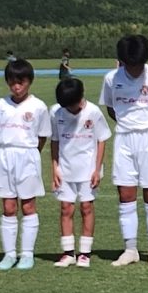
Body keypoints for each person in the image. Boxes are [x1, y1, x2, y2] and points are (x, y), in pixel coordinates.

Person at [99, 33, 148, 266]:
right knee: (125, 194)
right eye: (130, 65)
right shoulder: (111, 79)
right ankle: (130, 249)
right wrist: (128, 125)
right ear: (122, 61)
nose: (134, 70)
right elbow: (111, 108)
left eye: (138, 65)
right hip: (124, 137)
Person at [0, 57, 52, 270]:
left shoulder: (38, 106)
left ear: (29, 81)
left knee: (28, 205)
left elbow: (42, 136)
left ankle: (27, 254)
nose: (16, 87)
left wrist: (31, 154)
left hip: (28, 157)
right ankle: (9, 254)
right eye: (12, 82)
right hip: (5, 156)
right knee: (8, 206)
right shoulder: (0, 105)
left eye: (21, 82)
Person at [48, 74, 110, 264]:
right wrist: (54, 168)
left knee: (86, 207)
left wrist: (97, 169)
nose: (70, 109)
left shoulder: (93, 112)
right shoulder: (56, 113)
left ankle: (85, 253)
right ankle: (68, 253)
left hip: (88, 171)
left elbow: (101, 140)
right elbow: (55, 141)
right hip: (65, 170)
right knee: (66, 208)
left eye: (73, 105)